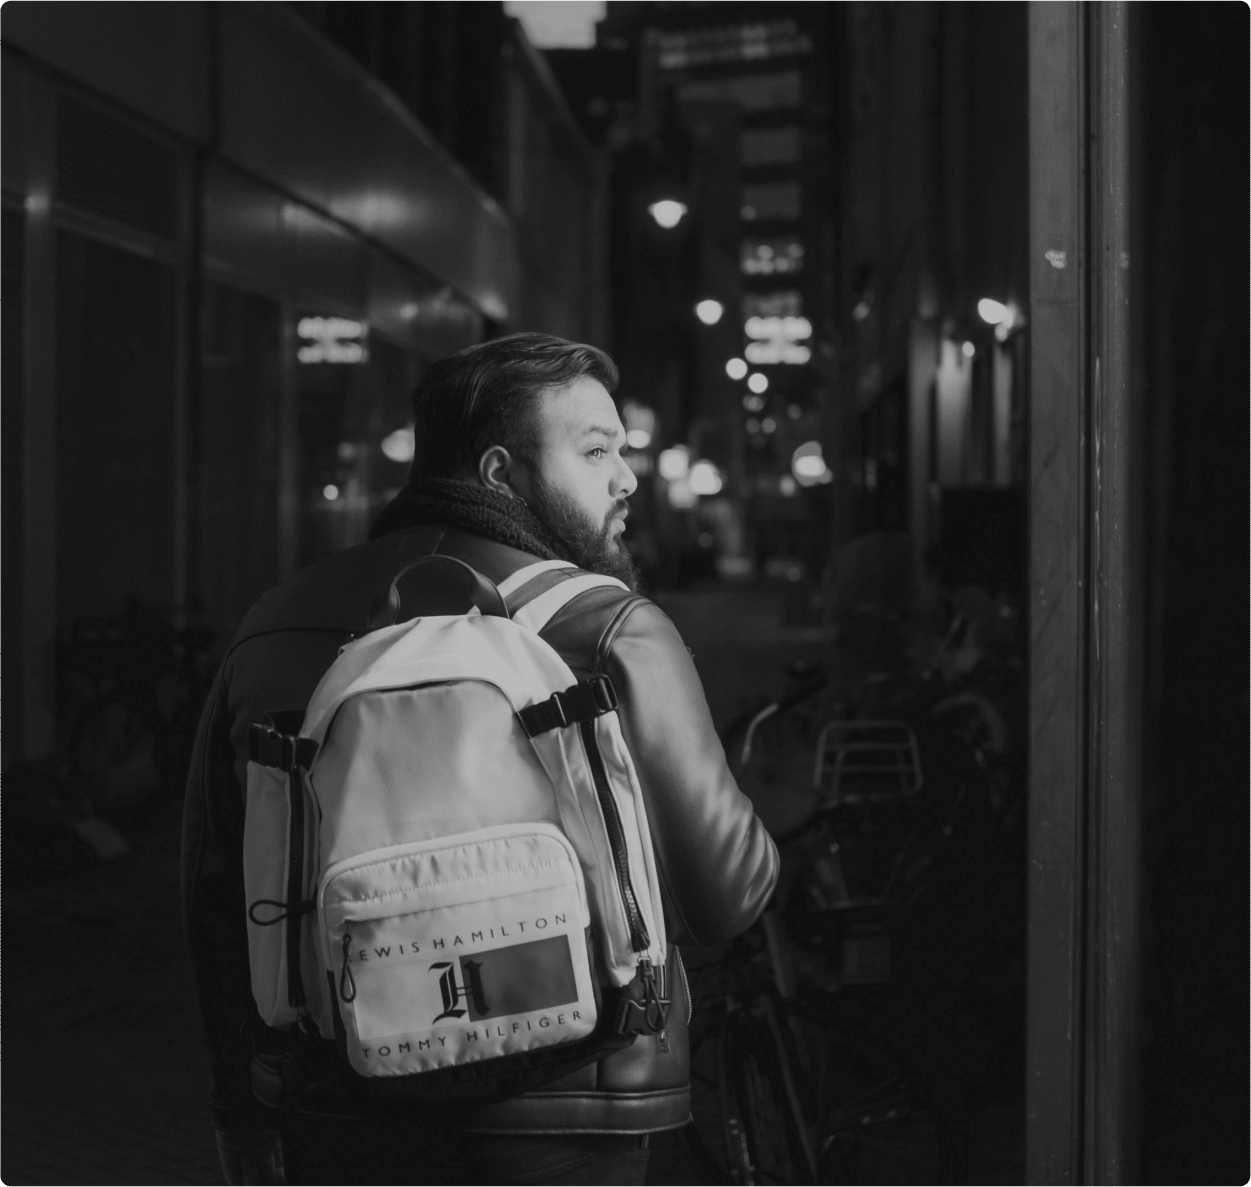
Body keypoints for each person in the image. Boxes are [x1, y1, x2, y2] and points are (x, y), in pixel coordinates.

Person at [182, 332, 779, 1186]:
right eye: (596, 450)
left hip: (332, 1098)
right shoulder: (606, 626)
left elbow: (214, 893)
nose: (627, 478)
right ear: (500, 474)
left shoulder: (273, 623)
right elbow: (728, 895)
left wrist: (238, 1109)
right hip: (570, 1105)